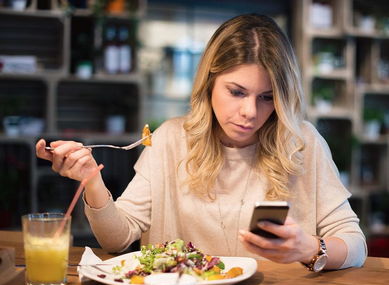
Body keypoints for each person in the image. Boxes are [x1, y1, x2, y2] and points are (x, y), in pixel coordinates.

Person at [36, 14, 366, 271]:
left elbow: (355, 245)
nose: (250, 112)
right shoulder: (169, 140)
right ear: (208, 84)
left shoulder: (302, 142)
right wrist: (92, 180)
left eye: (267, 98)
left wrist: (310, 249)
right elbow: (117, 239)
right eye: (236, 92)